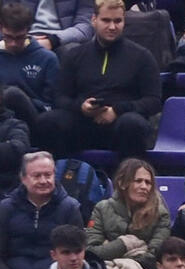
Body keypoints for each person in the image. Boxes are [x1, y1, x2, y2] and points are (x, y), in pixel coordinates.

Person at [34, 0, 160, 159]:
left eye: (118, 21)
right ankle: (59, 178)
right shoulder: (74, 55)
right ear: (94, 20)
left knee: (133, 124)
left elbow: (153, 101)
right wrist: (81, 107)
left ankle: (128, 180)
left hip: (121, 125)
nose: (112, 27)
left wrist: (117, 110)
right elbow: (59, 98)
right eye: (106, 20)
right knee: (48, 121)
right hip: (81, 124)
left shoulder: (142, 56)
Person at [0, 151, 83, 269]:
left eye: (48, 175)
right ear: (23, 179)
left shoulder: (70, 208)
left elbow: (76, 255)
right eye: (37, 176)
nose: (44, 180)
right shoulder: (6, 209)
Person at [85, 158, 170, 269]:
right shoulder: (102, 208)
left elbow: (154, 256)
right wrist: (124, 244)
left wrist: (112, 250)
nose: (144, 187)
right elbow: (91, 252)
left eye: (148, 182)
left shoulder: (160, 213)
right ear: (122, 183)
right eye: (138, 181)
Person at [0, 3, 58, 127]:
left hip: (33, 117)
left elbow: (51, 104)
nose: (13, 44)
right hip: (2, 118)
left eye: (19, 37)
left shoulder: (47, 58)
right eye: (8, 37)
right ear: (1, 29)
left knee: (12, 94)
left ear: (28, 31)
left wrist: (25, 100)